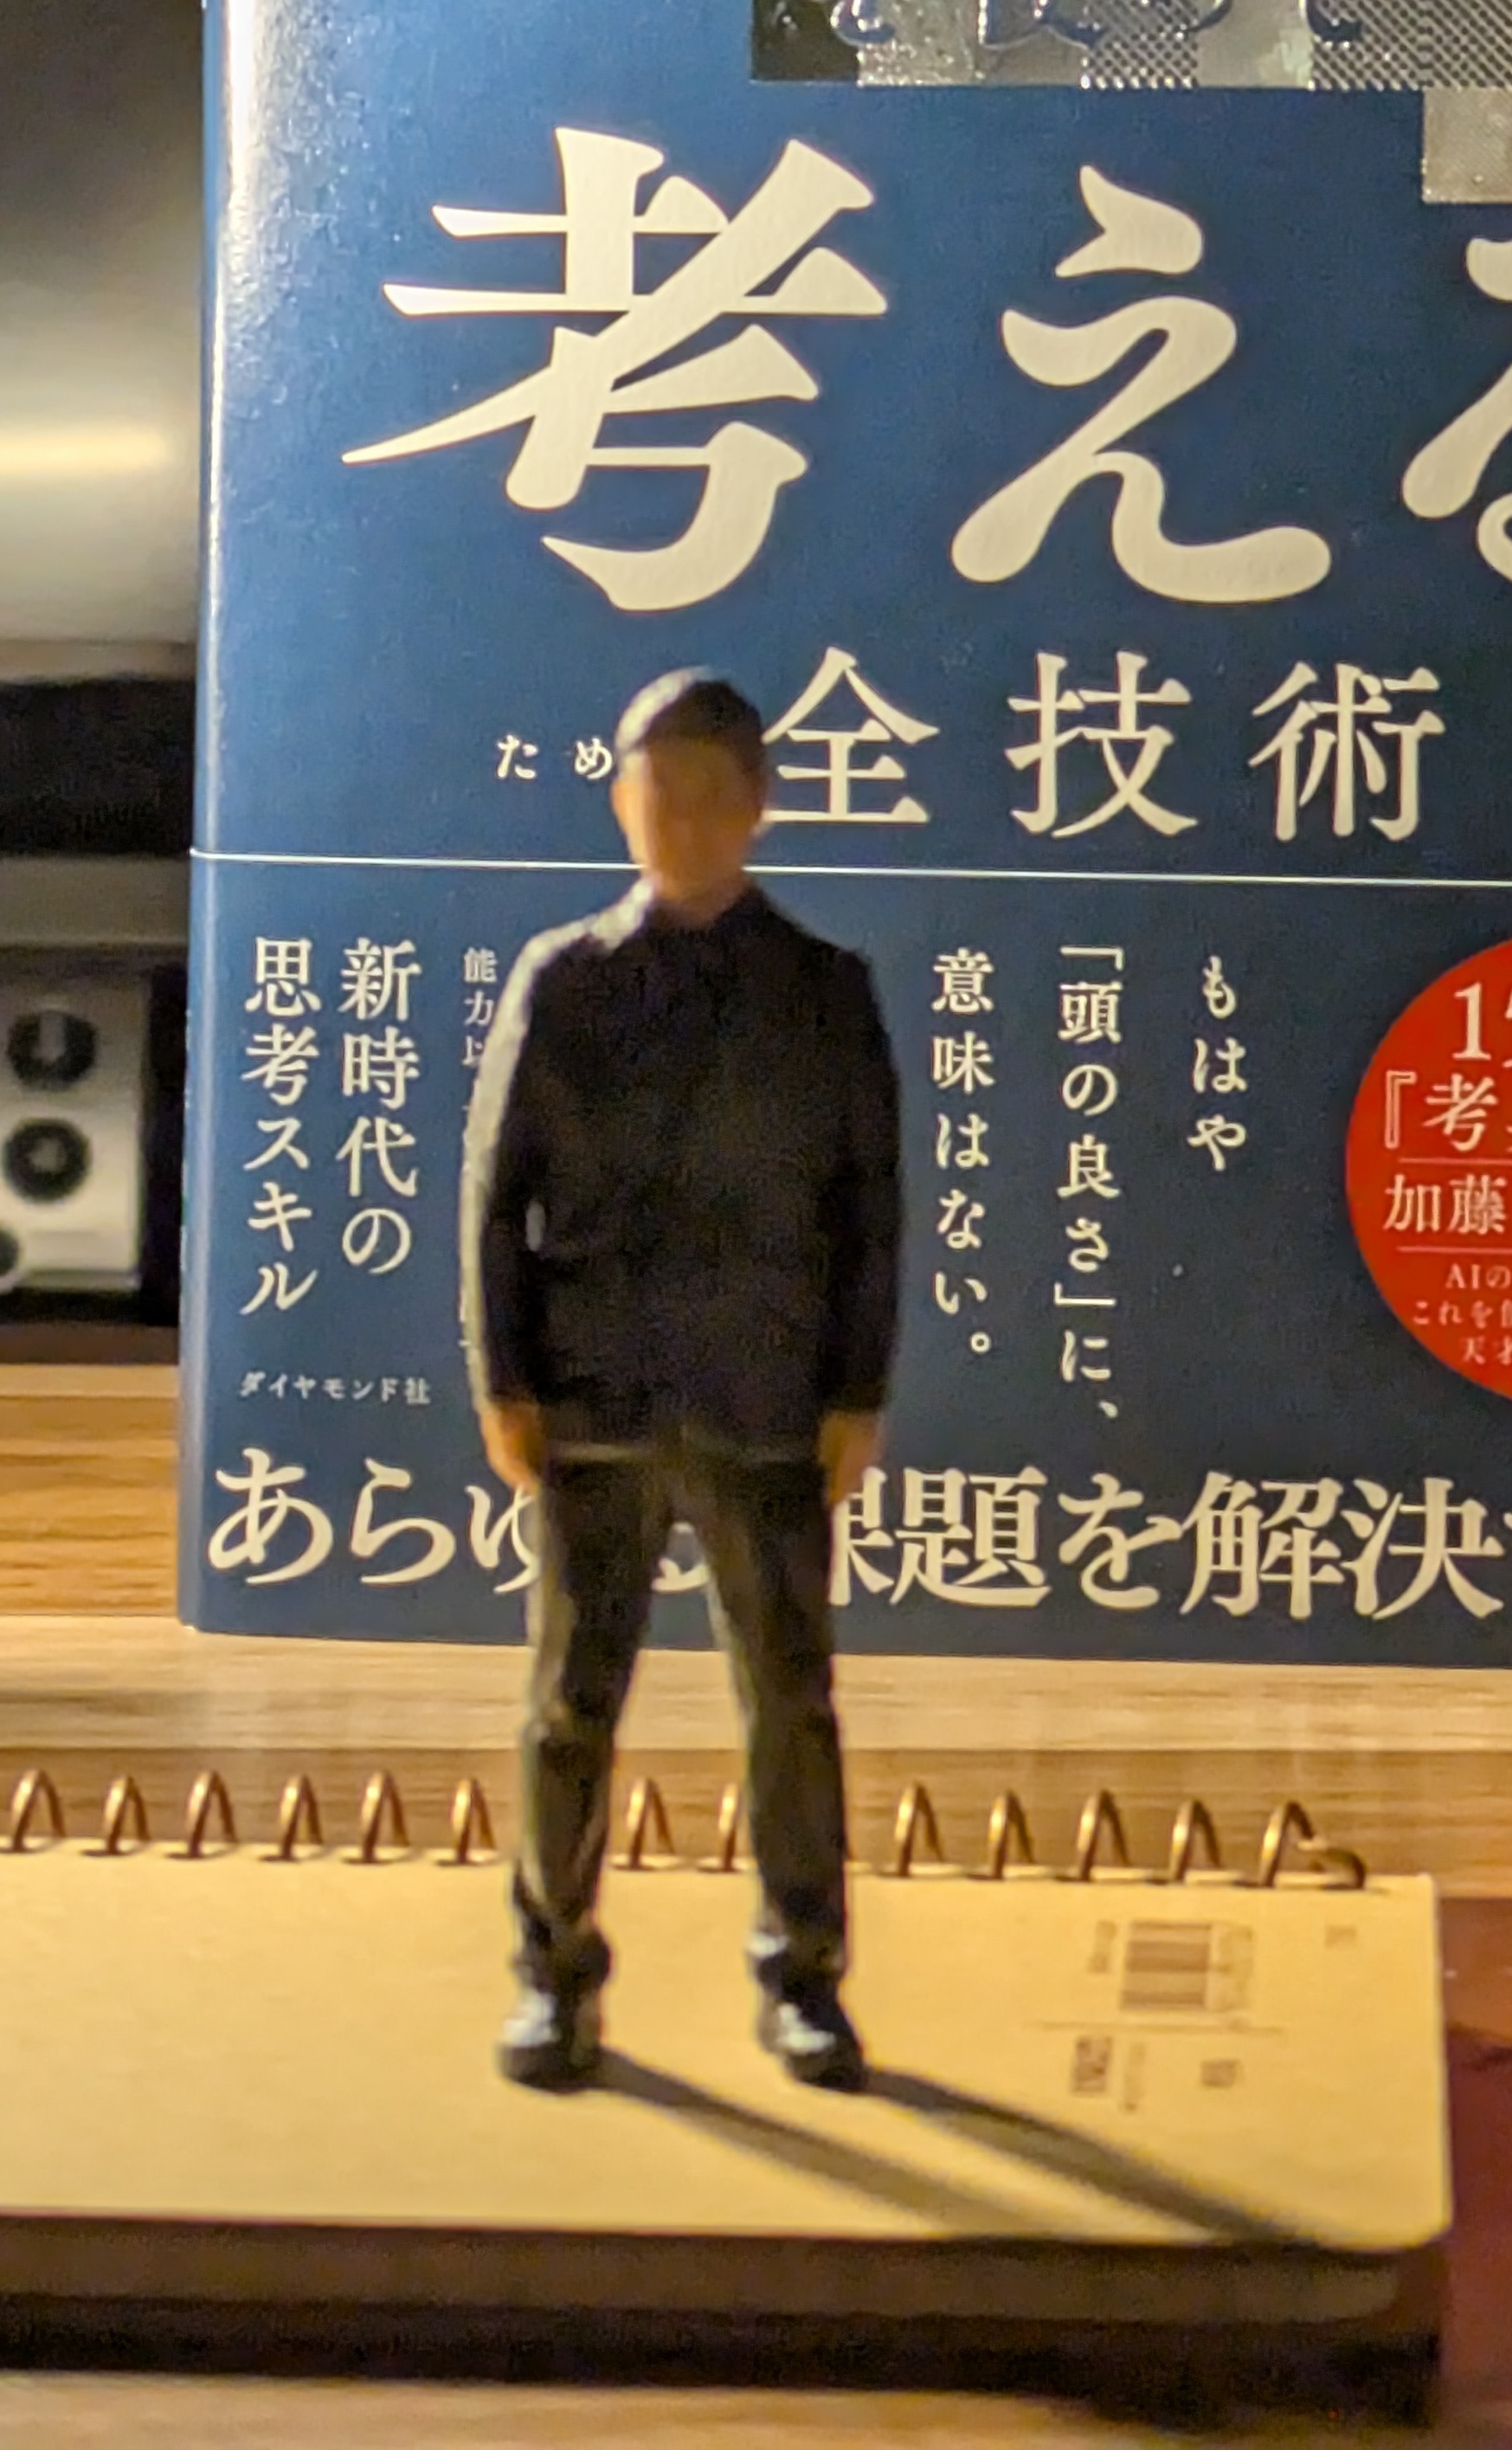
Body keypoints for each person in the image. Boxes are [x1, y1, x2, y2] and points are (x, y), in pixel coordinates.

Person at [461, 669, 902, 2095]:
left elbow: (874, 1209)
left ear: (761, 805)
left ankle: (805, 1979)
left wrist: (857, 1389)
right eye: (660, 791)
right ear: (620, 801)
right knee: (569, 1706)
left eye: (714, 792)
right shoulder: (565, 979)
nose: (686, 820)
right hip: (594, 1392)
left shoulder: (824, 989)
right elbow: (496, 1199)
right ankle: (553, 1978)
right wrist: (505, 1376)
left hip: (768, 1390)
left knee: (789, 1703)